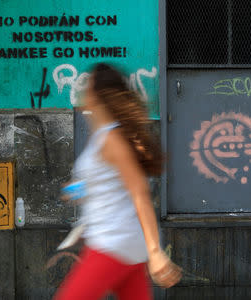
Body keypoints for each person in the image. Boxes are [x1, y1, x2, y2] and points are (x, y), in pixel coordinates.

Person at [54, 63, 182, 300]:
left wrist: (155, 252)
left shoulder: (112, 139)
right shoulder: (101, 137)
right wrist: (75, 189)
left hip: (111, 244)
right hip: (125, 247)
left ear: (97, 95)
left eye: (88, 86)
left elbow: (139, 193)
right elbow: (103, 180)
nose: (84, 91)